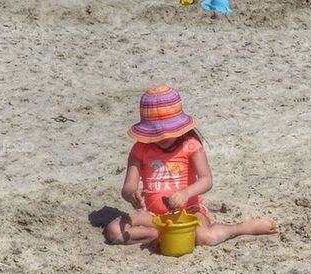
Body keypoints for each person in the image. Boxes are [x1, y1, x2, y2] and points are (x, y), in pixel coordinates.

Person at [102, 86, 280, 248]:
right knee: (114, 231)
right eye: (157, 133)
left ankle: (241, 228)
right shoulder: (140, 149)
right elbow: (128, 187)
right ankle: (158, 234)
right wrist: (132, 195)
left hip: (189, 211)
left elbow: (206, 180)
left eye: (167, 131)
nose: (163, 137)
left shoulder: (191, 145)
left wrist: (186, 193)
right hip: (153, 215)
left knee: (206, 237)